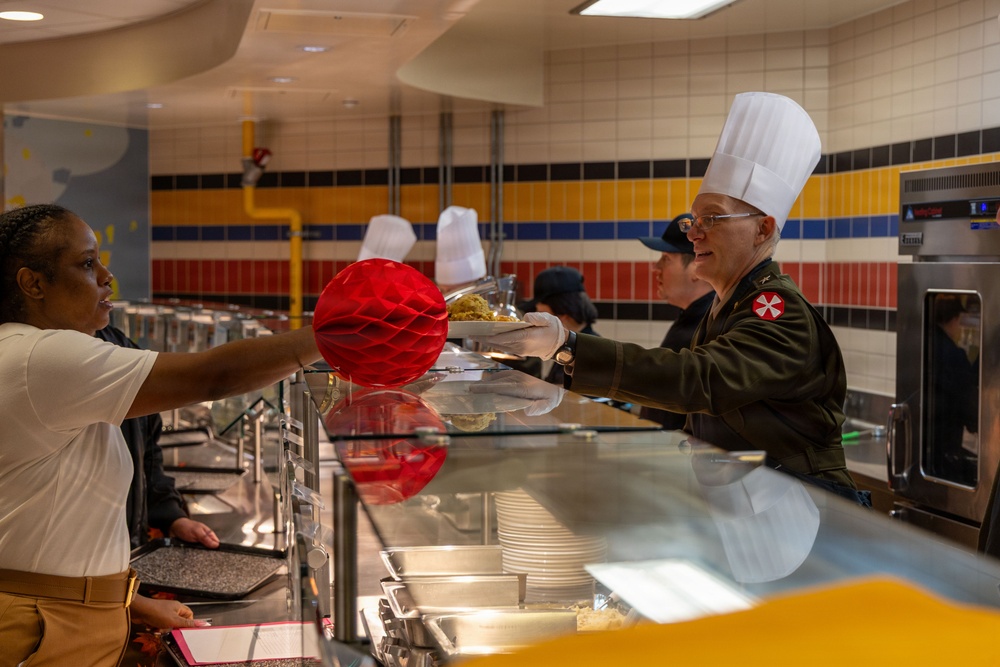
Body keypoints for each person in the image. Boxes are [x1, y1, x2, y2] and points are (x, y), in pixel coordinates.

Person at [482, 92, 865, 504]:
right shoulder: (728, 303)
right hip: (754, 508)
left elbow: (697, 380)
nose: (694, 233)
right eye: (695, 221)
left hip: (805, 511)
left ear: (762, 228)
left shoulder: (777, 311)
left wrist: (567, 347)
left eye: (712, 219)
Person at [0, 204, 326, 666]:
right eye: (87, 263)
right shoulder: (39, 357)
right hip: (43, 627)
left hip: (67, 612)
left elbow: (46, 536)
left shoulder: (34, 357)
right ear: (33, 283)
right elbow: (214, 377)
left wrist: (131, 603)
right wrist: (334, 335)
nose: (107, 276)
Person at [95, 324, 220, 549]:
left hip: (123, 551)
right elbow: (209, 376)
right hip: (69, 569)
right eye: (95, 284)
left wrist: (172, 516)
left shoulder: (118, 346)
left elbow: (147, 454)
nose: (107, 287)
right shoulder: (48, 358)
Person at [637, 214, 714, 428]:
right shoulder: (691, 316)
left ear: (697, 270)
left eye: (667, 259)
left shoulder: (706, 326)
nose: (656, 267)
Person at [526, 266, 599, 387]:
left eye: (541, 304)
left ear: (562, 312)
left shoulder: (588, 354)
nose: (537, 309)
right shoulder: (567, 346)